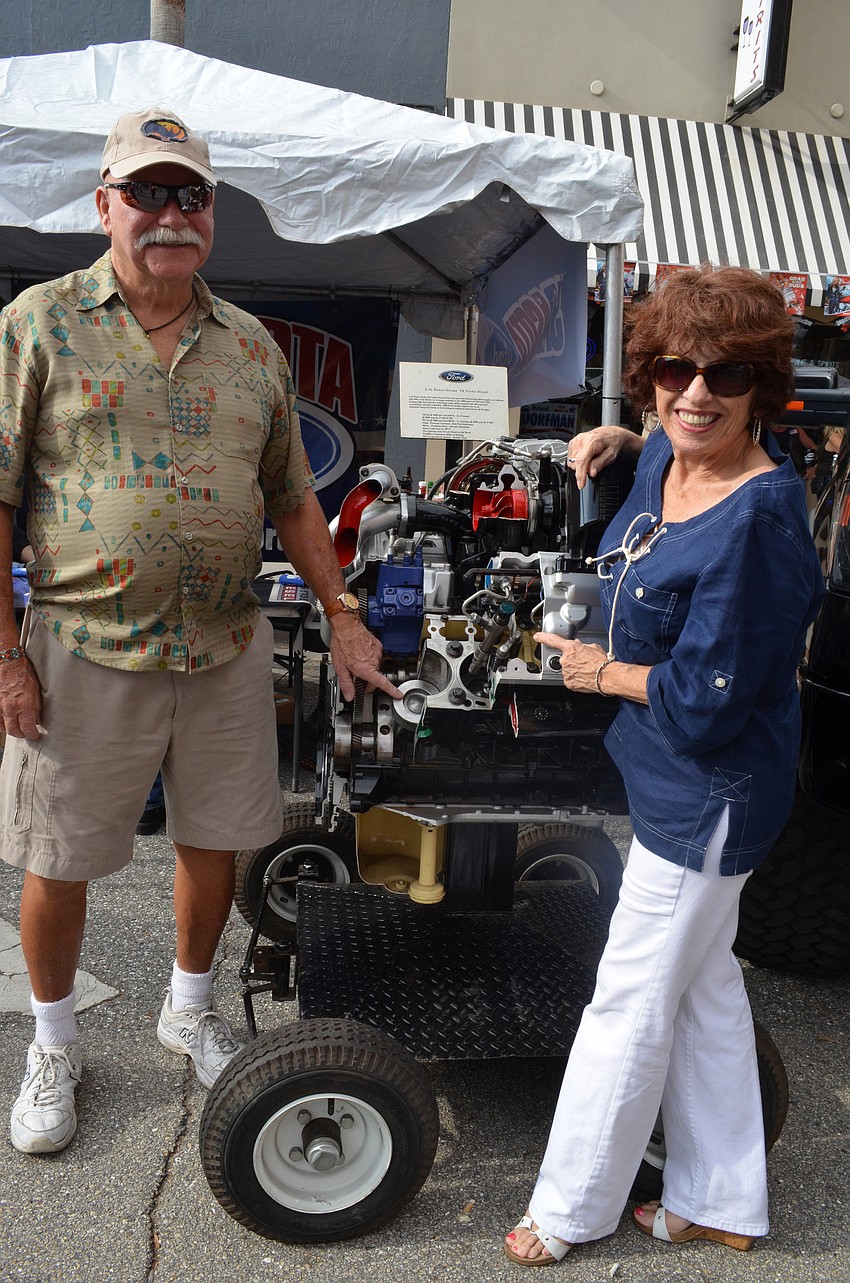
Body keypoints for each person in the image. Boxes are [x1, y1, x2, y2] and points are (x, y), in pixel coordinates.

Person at [0, 107, 400, 1156]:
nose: (170, 215)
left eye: (191, 196)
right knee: (60, 855)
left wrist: (345, 616)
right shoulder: (38, 323)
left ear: (211, 213)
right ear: (104, 205)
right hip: (82, 644)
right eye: (148, 193)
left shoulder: (252, 344)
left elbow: (294, 500)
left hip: (225, 645)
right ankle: (53, 1045)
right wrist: (4, 654)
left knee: (218, 836)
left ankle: (188, 1005)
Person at [504, 265, 824, 1265]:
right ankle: (721, 1197)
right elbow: (667, 478)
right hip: (667, 777)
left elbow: (703, 695)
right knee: (703, 986)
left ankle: (570, 1208)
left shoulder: (762, 520)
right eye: (673, 370)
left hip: (710, 791)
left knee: (631, 998)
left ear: (760, 389)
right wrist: (628, 443)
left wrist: (602, 672)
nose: (697, 391)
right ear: (646, 376)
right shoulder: (673, 457)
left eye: (725, 374)